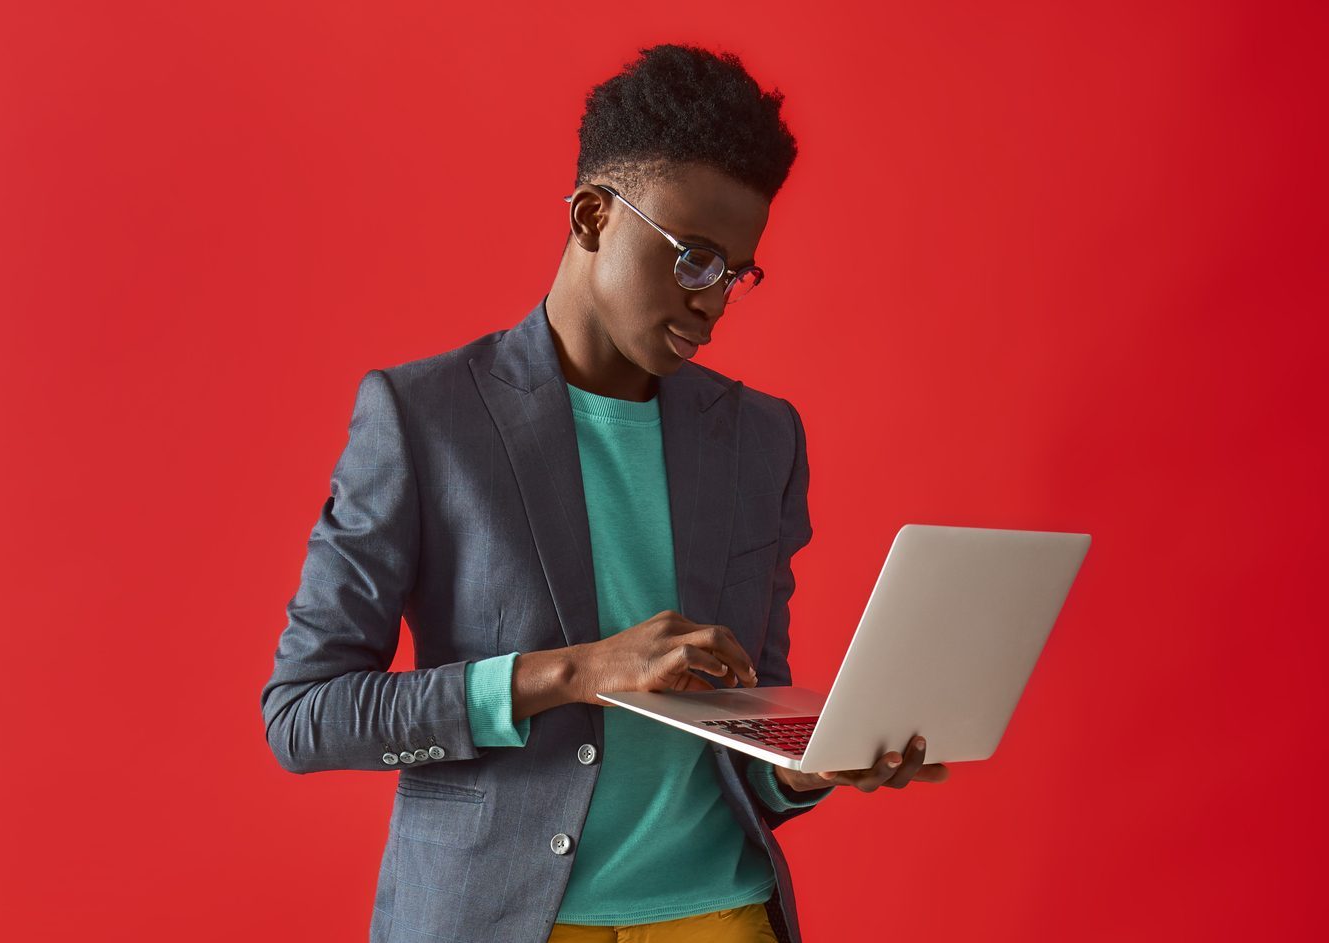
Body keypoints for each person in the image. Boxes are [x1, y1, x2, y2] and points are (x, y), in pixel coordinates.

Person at [260, 42, 949, 943]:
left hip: (720, 914)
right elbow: (303, 716)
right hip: (496, 917)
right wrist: (576, 671)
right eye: (692, 258)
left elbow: (744, 725)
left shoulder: (761, 438)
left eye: (735, 273)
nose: (712, 302)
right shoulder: (423, 419)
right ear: (591, 217)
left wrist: (807, 766)